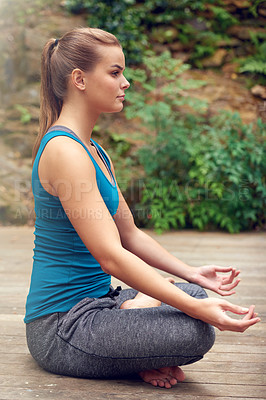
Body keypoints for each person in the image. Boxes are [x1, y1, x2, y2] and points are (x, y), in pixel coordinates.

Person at [24, 27, 260, 389]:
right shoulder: (64, 151)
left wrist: (193, 275)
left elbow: (130, 235)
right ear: (79, 80)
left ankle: (130, 344)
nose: (126, 82)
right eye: (115, 72)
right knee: (195, 330)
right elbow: (111, 258)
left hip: (102, 305)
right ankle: (130, 350)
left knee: (195, 296)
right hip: (61, 326)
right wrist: (196, 310)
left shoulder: (95, 151)